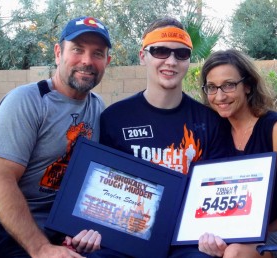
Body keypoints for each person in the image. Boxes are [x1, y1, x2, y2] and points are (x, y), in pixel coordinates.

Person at [97, 17, 228, 258]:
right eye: (160, 51)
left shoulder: (210, 121)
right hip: (127, 237)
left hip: (188, 242)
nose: (171, 61)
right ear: (142, 55)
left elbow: (217, 192)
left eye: (181, 54)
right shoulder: (114, 118)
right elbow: (101, 189)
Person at [0, 16, 112, 257]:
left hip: (62, 229)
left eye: (97, 53)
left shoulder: (99, 108)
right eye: (78, 49)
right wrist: (40, 248)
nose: (87, 61)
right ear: (58, 53)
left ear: (107, 61)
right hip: (7, 230)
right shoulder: (27, 101)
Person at [198, 49, 277, 258]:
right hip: (240, 235)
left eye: (229, 85)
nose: (220, 96)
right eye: (212, 87)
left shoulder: (275, 129)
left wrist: (267, 230)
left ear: (247, 86)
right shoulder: (216, 132)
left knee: (235, 253)